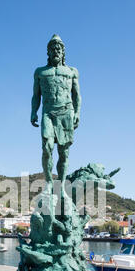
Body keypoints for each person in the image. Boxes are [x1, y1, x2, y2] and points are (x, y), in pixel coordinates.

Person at [31, 34, 81, 190]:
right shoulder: (40, 72)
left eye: (58, 48)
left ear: (63, 52)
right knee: (47, 147)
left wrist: (78, 113)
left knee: (64, 152)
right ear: (48, 52)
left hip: (66, 112)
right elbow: (36, 95)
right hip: (48, 112)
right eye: (52, 49)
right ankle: (48, 184)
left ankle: (61, 186)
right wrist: (34, 112)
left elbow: (76, 95)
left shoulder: (72, 71)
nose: (56, 51)